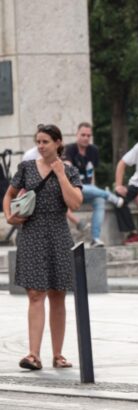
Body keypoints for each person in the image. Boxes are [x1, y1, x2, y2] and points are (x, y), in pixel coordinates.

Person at [2, 124, 83, 370]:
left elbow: (75, 204)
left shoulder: (70, 171)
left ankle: (58, 355)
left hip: (58, 235)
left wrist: (60, 174)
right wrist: (9, 217)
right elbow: (9, 195)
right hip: (32, 234)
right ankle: (33, 355)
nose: (40, 146)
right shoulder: (26, 168)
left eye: (45, 141)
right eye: (38, 141)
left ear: (58, 143)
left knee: (58, 294)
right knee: (35, 294)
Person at [63, 122, 124, 247]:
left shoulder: (93, 150)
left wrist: (92, 188)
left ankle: (95, 238)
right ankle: (110, 196)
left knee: (99, 200)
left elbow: (91, 172)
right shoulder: (69, 149)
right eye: (83, 135)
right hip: (72, 189)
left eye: (88, 135)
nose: (86, 138)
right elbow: (68, 170)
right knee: (85, 188)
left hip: (87, 190)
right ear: (77, 134)